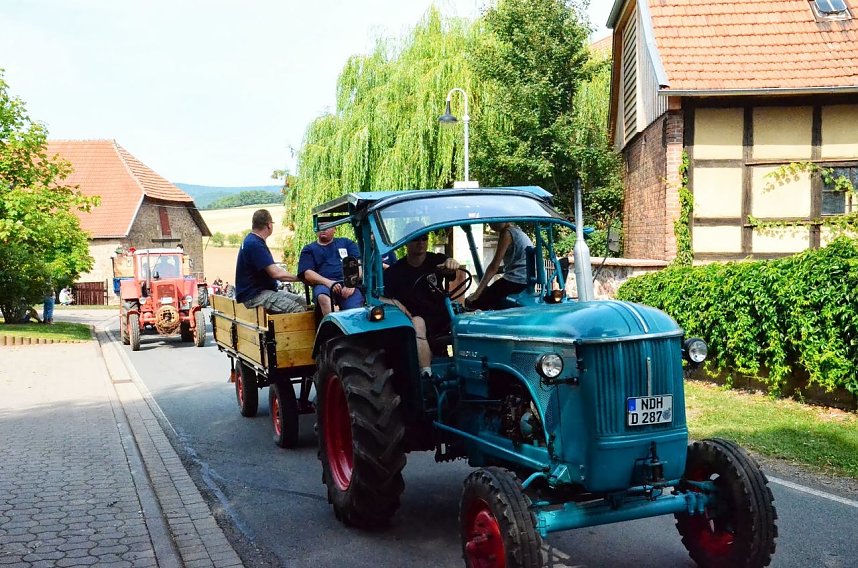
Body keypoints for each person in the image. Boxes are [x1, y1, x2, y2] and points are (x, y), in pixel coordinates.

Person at [382, 222, 460, 376]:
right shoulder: (395, 271)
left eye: (424, 238)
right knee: (419, 323)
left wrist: (452, 264)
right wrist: (396, 303)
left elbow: (450, 269)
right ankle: (427, 376)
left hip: (441, 315)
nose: (421, 242)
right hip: (413, 319)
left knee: (469, 319)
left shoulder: (437, 261)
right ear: (406, 242)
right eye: (416, 238)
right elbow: (380, 298)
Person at [234, 209, 307, 313]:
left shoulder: (252, 240)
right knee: (297, 309)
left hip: (262, 292)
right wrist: (302, 278)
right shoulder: (255, 244)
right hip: (255, 296)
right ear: (269, 225)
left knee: (303, 303)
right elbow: (276, 273)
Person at [466, 222, 533, 311]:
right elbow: (514, 264)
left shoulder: (507, 233)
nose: (492, 224)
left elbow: (494, 266)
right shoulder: (518, 232)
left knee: (475, 302)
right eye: (490, 222)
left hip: (516, 280)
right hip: (525, 280)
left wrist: (476, 294)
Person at [297, 227, 363, 317]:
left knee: (355, 309)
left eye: (327, 227)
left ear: (335, 229)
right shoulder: (309, 249)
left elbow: (359, 266)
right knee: (322, 297)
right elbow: (307, 274)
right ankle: (333, 326)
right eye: (320, 227)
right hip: (323, 285)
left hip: (348, 284)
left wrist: (352, 282)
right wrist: (329, 283)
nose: (323, 229)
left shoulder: (347, 243)